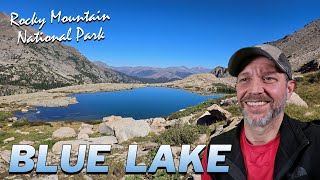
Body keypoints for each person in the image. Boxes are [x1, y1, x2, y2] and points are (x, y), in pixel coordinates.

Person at [201, 44, 320, 180]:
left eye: (268, 78)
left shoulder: (316, 142)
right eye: (245, 79)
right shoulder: (215, 149)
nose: (254, 90)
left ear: (289, 89)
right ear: (237, 89)